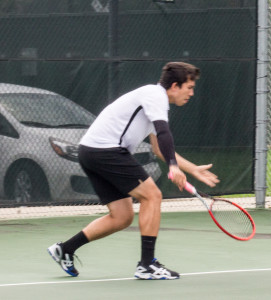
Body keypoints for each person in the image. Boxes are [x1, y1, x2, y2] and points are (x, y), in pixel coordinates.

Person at [47, 62, 219, 280]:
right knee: (153, 195)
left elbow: (158, 148)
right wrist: (173, 167)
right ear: (175, 85)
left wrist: (192, 169)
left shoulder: (155, 101)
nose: (192, 93)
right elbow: (164, 134)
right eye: (189, 87)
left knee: (122, 216)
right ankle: (147, 265)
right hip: (106, 151)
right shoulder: (154, 96)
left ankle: (66, 249)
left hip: (90, 152)